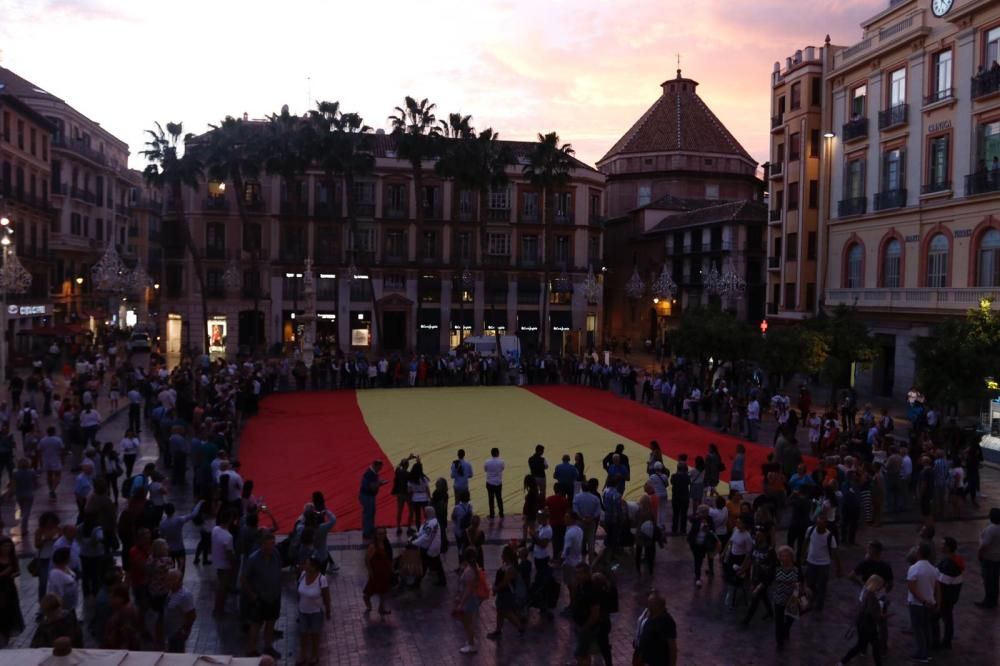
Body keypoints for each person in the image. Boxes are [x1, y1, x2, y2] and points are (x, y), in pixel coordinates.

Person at [836, 574, 886, 666]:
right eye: (880, 585)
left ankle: (842, 661)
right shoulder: (873, 597)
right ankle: (843, 661)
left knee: (863, 645)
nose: (881, 587)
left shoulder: (865, 592)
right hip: (869, 625)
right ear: (876, 585)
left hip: (861, 622)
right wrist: (881, 611)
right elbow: (874, 613)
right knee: (871, 646)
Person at [906, 541, 938, 662]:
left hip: (917, 604)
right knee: (926, 628)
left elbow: (912, 588)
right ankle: (927, 652)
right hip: (930, 603)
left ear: (919, 553)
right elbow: (937, 588)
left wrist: (923, 601)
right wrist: (935, 603)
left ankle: (922, 653)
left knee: (918, 629)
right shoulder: (933, 569)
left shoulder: (914, 568)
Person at [297, 555, 330, 664]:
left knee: (315, 635)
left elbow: (326, 596)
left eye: (307, 564)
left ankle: (315, 655)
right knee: (303, 634)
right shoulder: (302, 575)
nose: (304, 566)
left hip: (316, 611)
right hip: (302, 611)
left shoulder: (322, 579)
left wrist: (328, 609)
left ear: (313, 567)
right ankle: (303, 655)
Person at [487, 544, 525, 639]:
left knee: (506, 612)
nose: (501, 555)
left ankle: (520, 627)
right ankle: (498, 631)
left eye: (503, 554)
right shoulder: (506, 566)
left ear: (507, 556)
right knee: (500, 612)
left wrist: (496, 588)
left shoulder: (511, 569)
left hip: (506, 594)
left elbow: (505, 582)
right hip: (502, 593)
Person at [770, 545, 805, 650]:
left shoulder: (796, 568)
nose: (784, 558)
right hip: (779, 598)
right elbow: (769, 580)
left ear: (791, 557)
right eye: (782, 556)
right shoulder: (776, 568)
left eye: (786, 556)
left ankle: (786, 630)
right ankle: (779, 642)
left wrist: (799, 585)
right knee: (779, 621)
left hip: (793, 598)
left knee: (791, 618)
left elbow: (801, 580)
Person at [804, 515, 840, 611]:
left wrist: (838, 568)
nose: (819, 527)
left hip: (823, 564)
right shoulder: (810, 530)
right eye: (818, 524)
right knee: (810, 584)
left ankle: (819, 605)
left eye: (821, 524)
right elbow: (806, 542)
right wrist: (803, 555)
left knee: (822, 586)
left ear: (825, 525)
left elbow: (835, 553)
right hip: (811, 562)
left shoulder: (830, 537)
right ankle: (810, 602)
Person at [633, 589, 678, 666]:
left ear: (658, 606)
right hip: (646, 660)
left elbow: (672, 647)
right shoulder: (650, 616)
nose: (648, 605)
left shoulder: (667, 621)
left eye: (650, 604)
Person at [935, 536, 964, 650]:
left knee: (941, 619)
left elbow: (942, 585)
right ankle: (946, 641)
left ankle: (943, 642)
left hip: (946, 598)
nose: (940, 546)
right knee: (948, 619)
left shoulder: (949, 565)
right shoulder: (954, 560)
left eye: (942, 544)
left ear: (947, 547)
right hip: (951, 597)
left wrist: (938, 601)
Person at [453, 546, 483, 654]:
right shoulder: (473, 568)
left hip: (468, 599)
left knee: (467, 623)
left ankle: (471, 644)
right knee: (468, 621)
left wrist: (461, 602)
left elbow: (468, 589)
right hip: (471, 599)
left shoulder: (470, 570)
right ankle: (471, 640)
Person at [411, 506, 445, 586]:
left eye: (425, 512)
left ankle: (417, 583)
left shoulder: (432, 523)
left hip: (429, 548)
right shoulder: (430, 521)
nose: (424, 513)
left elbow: (426, 537)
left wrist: (414, 542)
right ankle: (442, 580)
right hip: (429, 548)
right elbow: (422, 532)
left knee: (425, 565)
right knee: (435, 565)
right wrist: (415, 535)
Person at [0, 537, 24, 648]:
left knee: (10, 610)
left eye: (9, 546)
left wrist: (13, 574)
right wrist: (5, 573)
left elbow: (18, 571)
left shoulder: (13, 558)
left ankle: (7, 634)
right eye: (5, 546)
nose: (7, 549)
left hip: (10, 588)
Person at [102, 583, 142, 650]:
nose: (111, 600)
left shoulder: (125, 613)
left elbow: (126, 638)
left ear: (121, 598)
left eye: (113, 597)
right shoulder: (120, 611)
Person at [211, 509, 236, 615]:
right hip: (225, 565)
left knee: (221, 586)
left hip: (217, 562)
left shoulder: (215, 529)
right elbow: (229, 553)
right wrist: (233, 564)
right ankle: (219, 609)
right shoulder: (228, 537)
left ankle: (219, 608)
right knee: (222, 588)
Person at [363, 527, 392, 615]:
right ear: (376, 535)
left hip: (385, 571)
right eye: (379, 533)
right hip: (376, 572)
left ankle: (381, 608)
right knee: (370, 590)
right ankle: (367, 602)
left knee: (383, 591)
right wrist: (370, 571)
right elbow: (367, 559)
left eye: (383, 533)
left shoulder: (386, 544)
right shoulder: (373, 546)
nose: (382, 535)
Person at [975, 507, 1000, 609]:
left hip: (989, 557)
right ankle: (993, 600)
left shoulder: (991, 529)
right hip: (997, 557)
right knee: (995, 579)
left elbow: (984, 545)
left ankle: (988, 601)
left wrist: (979, 554)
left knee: (988, 579)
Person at [687, 515, 720, 588]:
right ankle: (698, 577)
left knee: (700, 560)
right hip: (695, 545)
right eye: (702, 521)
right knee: (697, 560)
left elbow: (713, 536)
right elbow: (690, 519)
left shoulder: (709, 527)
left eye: (705, 521)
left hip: (703, 546)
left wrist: (707, 530)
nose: (703, 522)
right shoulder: (696, 523)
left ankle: (698, 575)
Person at [359, 459, 387, 541]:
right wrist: (380, 483)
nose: (380, 469)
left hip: (369, 496)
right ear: (376, 466)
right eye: (380, 467)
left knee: (371, 513)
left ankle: (370, 529)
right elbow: (371, 487)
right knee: (368, 514)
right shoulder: (370, 474)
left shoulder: (372, 473)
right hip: (367, 496)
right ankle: (367, 532)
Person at [38, 426, 64, 499]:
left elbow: (39, 451)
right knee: (58, 475)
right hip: (56, 459)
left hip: (46, 459)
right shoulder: (58, 440)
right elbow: (62, 450)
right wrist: (62, 460)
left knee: (49, 475)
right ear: (54, 432)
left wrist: (40, 461)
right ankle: (53, 489)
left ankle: (50, 489)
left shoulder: (42, 440)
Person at [391, 455, 414, 534]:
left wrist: (407, 458)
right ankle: (409, 527)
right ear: (408, 465)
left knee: (399, 510)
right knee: (411, 511)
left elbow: (399, 465)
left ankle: (398, 527)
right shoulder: (409, 474)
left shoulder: (398, 472)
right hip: (408, 495)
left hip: (400, 494)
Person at [484, 447, 505, 520]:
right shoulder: (501, 461)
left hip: (490, 482)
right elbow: (502, 469)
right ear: (497, 453)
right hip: (498, 482)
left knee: (491, 499)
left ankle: (492, 514)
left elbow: (485, 470)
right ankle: (501, 513)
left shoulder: (487, 462)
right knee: (499, 498)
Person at [671, 463, 691, 535]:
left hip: (676, 497)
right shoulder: (687, 476)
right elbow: (689, 482)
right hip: (684, 498)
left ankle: (674, 529)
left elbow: (672, 482)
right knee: (684, 514)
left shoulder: (674, 476)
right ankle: (683, 529)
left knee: (676, 514)